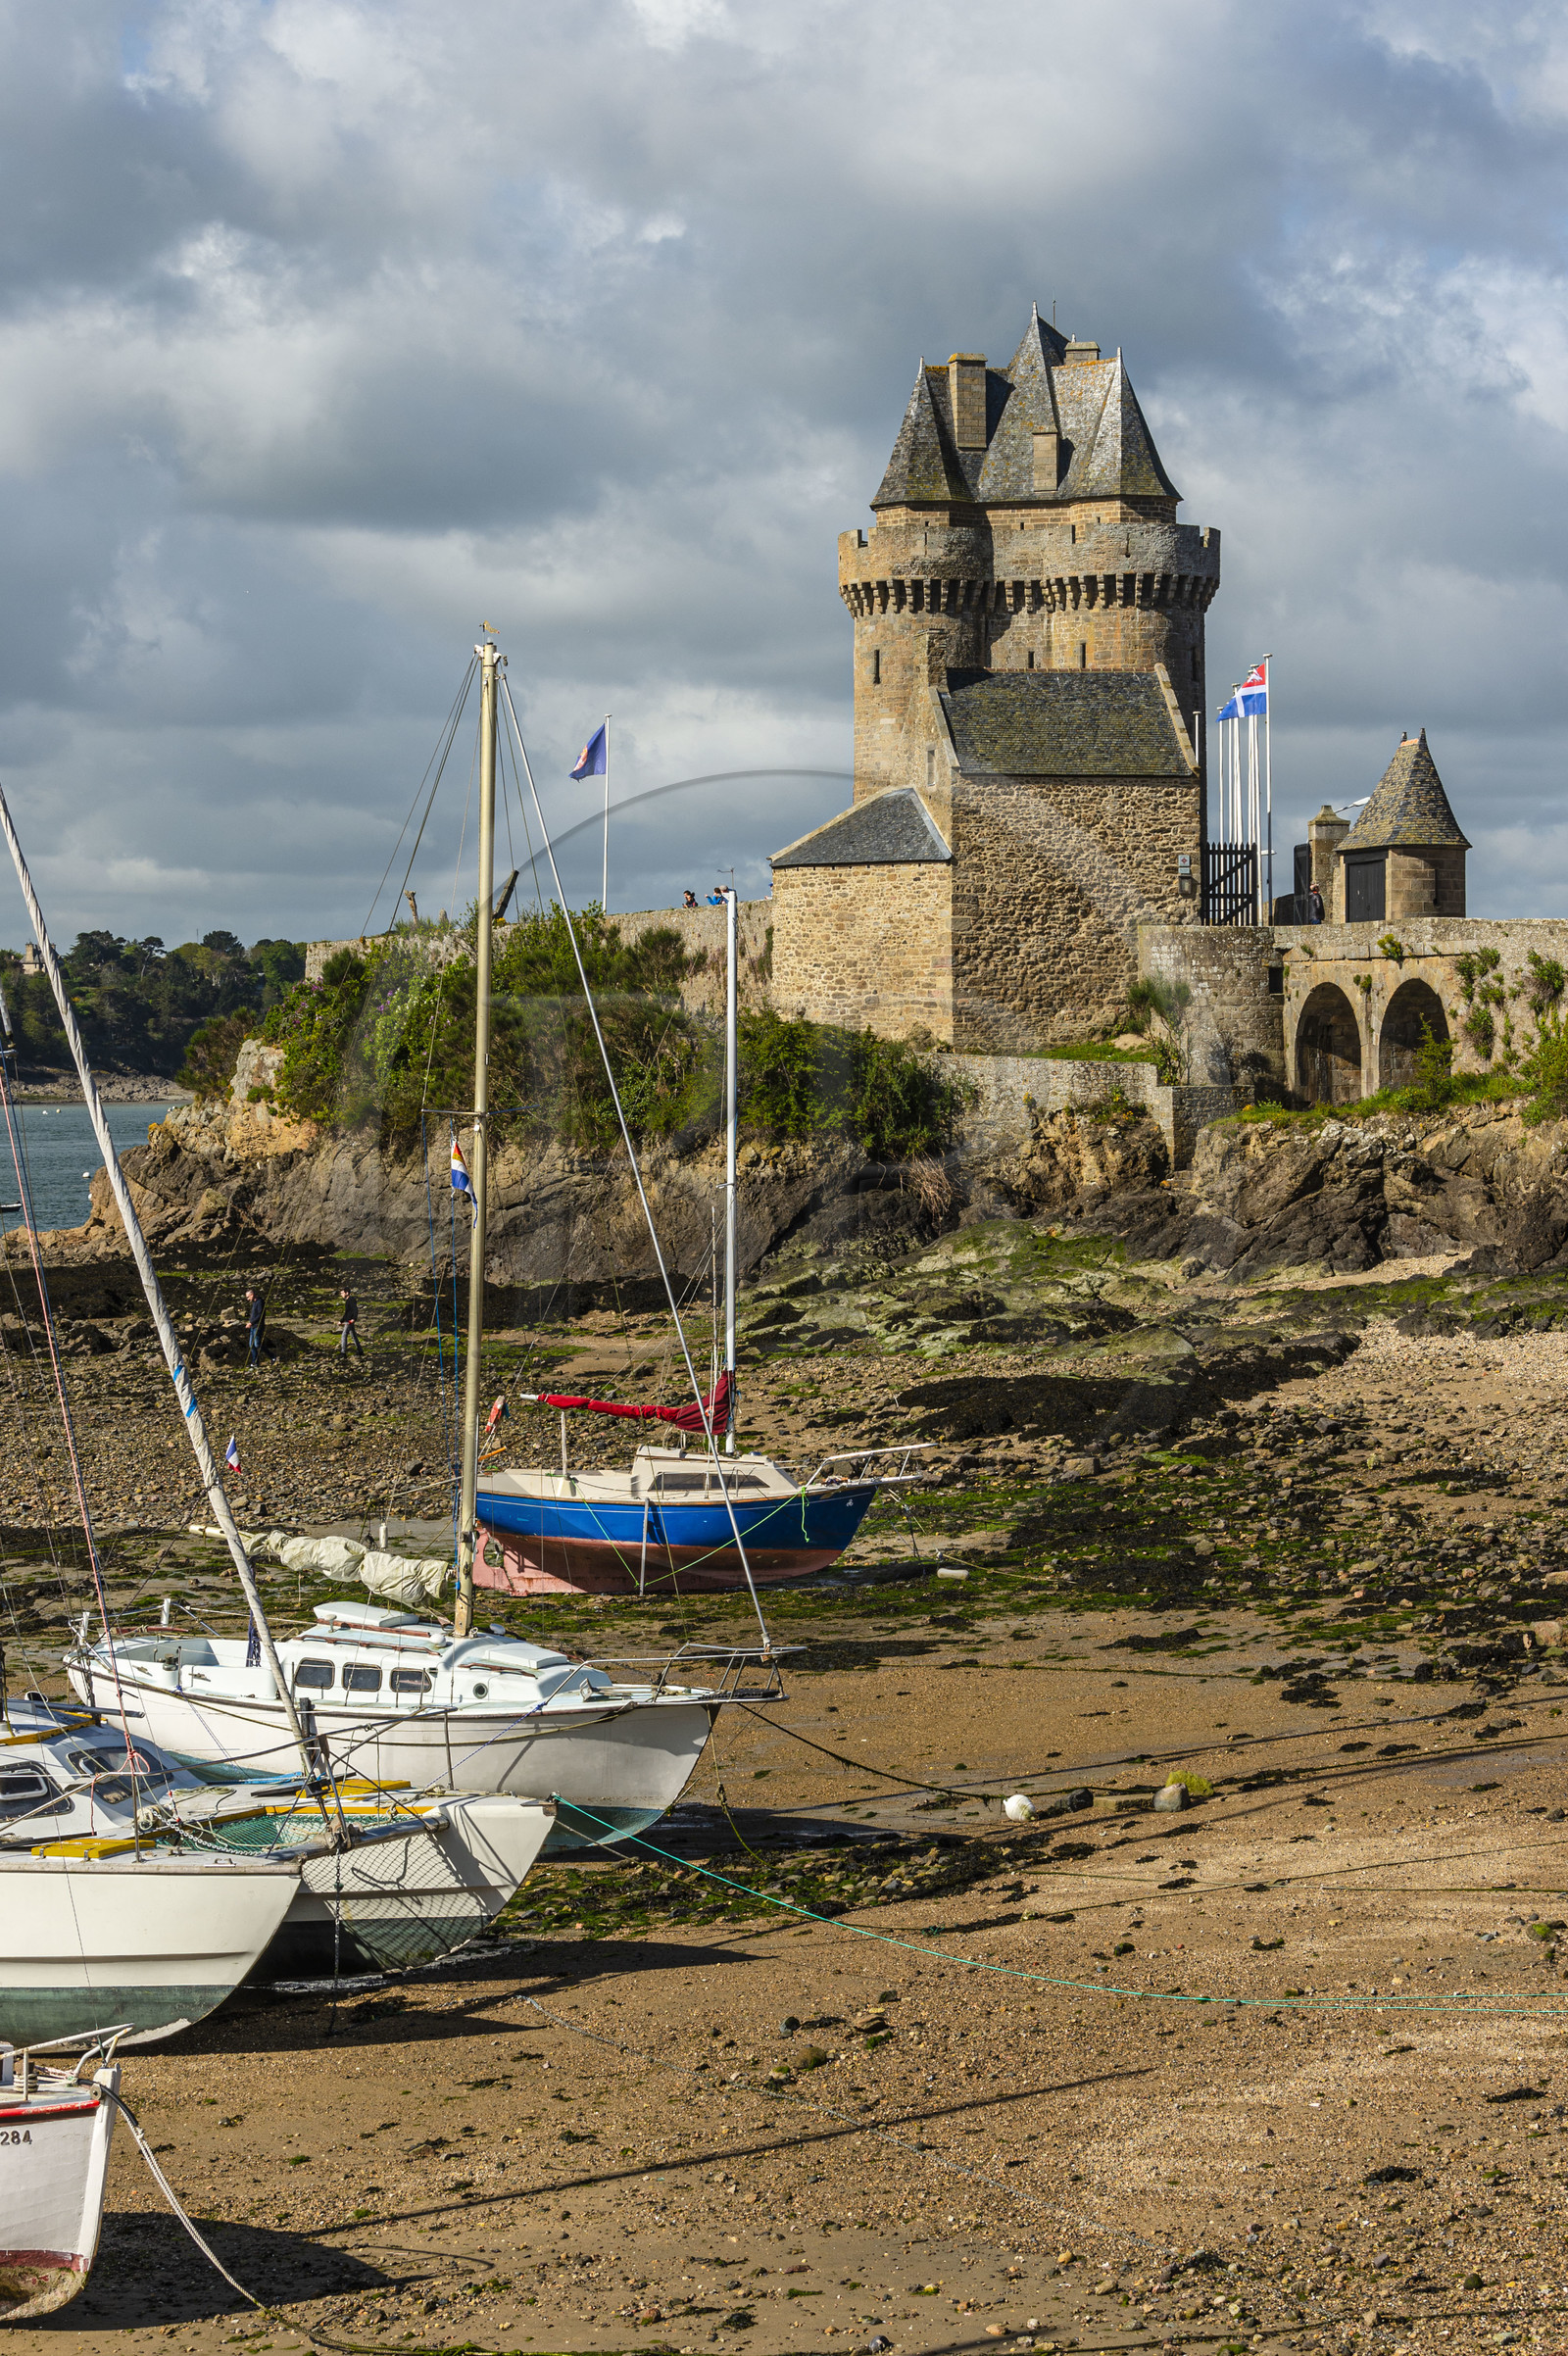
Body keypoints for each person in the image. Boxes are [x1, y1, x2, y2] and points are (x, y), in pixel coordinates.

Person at [338, 1286, 364, 1360]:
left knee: (344, 1335)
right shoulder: (348, 1300)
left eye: (342, 1293)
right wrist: (342, 1320)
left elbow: (355, 1310)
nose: (341, 1295)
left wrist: (353, 1319)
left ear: (347, 1293)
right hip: (348, 1320)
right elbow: (347, 1313)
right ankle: (360, 1350)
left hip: (349, 1321)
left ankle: (343, 1352)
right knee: (353, 1335)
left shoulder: (351, 1300)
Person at [245, 1286, 266, 1372]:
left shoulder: (260, 1302)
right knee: (251, 1345)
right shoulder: (254, 1303)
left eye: (248, 1297)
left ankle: (272, 1356)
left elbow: (259, 1315)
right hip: (253, 1326)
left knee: (257, 1344)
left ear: (252, 1295)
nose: (247, 1299)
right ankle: (255, 1362)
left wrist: (251, 1322)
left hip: (257, 1326)